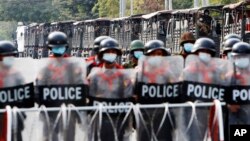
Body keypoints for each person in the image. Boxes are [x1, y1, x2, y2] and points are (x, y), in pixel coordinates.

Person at [36, 31, 84, 141]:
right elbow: (39, 88)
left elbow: (80, 85)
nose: (59, 49)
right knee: (49, 137)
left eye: (61, 47)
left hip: (69, 110)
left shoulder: (73, 65)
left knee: (69, 137)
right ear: (50, 48)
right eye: (56, 47)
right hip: (50, 110)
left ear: (66, 47)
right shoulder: (45, 66)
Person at [87, 37, 134, 141]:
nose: (111, 54)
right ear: (101, 55)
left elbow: (129, 98)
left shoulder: (123, 75)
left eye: (113, 52)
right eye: (108, 52)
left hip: (118, 120)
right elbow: (88, 100)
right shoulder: (94, 76)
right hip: (99, 121)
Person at [136, 40, 176, 141]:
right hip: (145, 118)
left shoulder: (168, 74)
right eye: (152, 54)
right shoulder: (139, 73)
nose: (156, 57)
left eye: (159, 54)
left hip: (163, 118)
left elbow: (175, 95)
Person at [0, 41, 25, 141]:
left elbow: (24, 91)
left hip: (14, 115)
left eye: (12, 56)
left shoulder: (16, 74)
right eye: (7, 56)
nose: (10, 58)